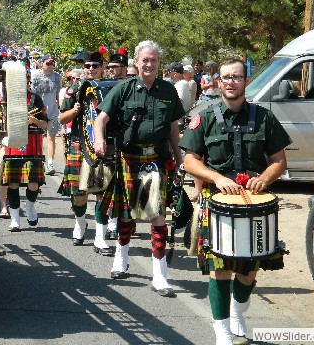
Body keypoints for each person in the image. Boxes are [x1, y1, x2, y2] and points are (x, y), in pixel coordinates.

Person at [179, 57, 291, 345]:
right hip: (216, 200)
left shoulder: (264, 117)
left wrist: (264, 179)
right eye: (226, 77)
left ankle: (239, 311)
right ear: (218, 82)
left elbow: (279, 160)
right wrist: (216, 178)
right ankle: (223, 333)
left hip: (255, 201)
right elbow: (190, 162)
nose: (231, 82)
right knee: (221, 267)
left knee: (249, 269)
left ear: (245, 81)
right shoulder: (203, 117)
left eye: (237, 77)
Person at [92, 40, 184, 294]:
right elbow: (101, 119)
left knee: (157, 215)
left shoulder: (168, 91)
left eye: (153, 60)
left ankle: (159, 275)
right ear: (136, 62)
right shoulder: (123, 89)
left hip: (156, 159)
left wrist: (180, 162)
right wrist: (99, 139)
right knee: (125, 214)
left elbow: (174, 131)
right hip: (128, 159)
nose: (149, 64)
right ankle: (121, 259)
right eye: (145, 60)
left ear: (158, 64)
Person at [58, 51, 114, 256]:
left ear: (102, 68)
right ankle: (80, 225)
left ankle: (100, 238)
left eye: (95, 66)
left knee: (102, 192)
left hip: (103, 147)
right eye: (88, 66)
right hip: (78, 144)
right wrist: (75, 111)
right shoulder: (74, 89)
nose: (91, 69)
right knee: (79, 194)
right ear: (84, 68)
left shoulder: (111, 89)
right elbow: (62, 119)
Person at [3, 68, 49, 231]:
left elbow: (45, 124)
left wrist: (33, 120)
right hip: (13, 144)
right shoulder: (6, 99)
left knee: (33, 184)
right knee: (13, 183)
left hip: (32, 144)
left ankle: (30, 207)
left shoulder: (35, 98)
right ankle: (15, 219)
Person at [30, 54, 62, 175]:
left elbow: (58, 93)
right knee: (36, 137)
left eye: (52, 64)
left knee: (51, 137)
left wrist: (60, 109)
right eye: (48, 64)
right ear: (41, 63)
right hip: (38, 112)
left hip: (52, 111)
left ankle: (50, 163)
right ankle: (36, 161)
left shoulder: (57, 77)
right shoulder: (34, 76)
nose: (50, 66)